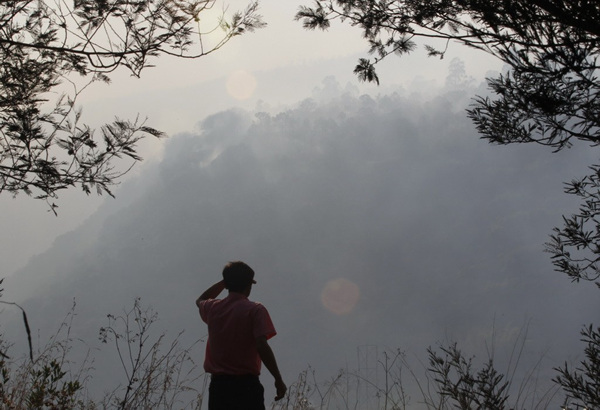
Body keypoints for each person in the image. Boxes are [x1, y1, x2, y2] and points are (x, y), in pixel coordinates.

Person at [196, 261, 287, 410]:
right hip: (246, 386)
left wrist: (225, 282)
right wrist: (278, 378)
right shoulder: (255, 310)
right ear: (249, 285)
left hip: (219, 388)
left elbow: (200, 300)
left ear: (227, 284)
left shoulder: (213, 308)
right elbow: (261, 345)